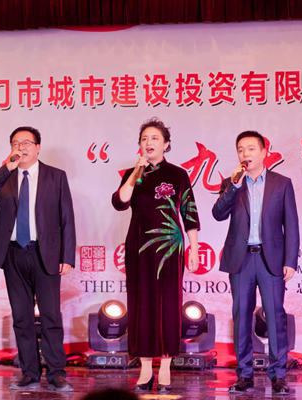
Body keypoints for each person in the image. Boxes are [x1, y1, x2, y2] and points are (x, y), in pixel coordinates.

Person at [0, 126, 76, 392]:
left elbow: (67, 217)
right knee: (21, 317)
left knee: (50, 316)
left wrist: (67, 256)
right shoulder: (6, 175)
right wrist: (6, 168)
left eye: (26, 143)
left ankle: (56, 373)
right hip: (12, 253)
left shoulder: (55, 176)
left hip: (45, 253)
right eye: (15, 143)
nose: (20, 148)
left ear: (38, 147)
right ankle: (30, 372)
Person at [112, 118, 200, 392]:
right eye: (144, 139)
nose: (148, 143)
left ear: (166, 144)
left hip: (169, 248)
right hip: (139, 247)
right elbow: (119, 202)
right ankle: (145, 370)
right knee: (141, 305)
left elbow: (189, 212)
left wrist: (194, 247)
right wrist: (135, 172)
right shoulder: (133, 173)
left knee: (168, 304)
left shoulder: (178, 174)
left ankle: (165, 369)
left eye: (154, 138)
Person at [212, 131, 299, 395]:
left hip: (270, 259)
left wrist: (290, 260)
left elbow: (291, 225)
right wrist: (233, 186)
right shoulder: (232, 183)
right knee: (241, 318)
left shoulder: (282, 184)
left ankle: (278, 376)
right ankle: (244, 375)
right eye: (241, 149)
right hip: (241, 260)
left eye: (251, 149)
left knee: (275, 317)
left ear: (264, 152)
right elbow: (218, 214)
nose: (245, 154)